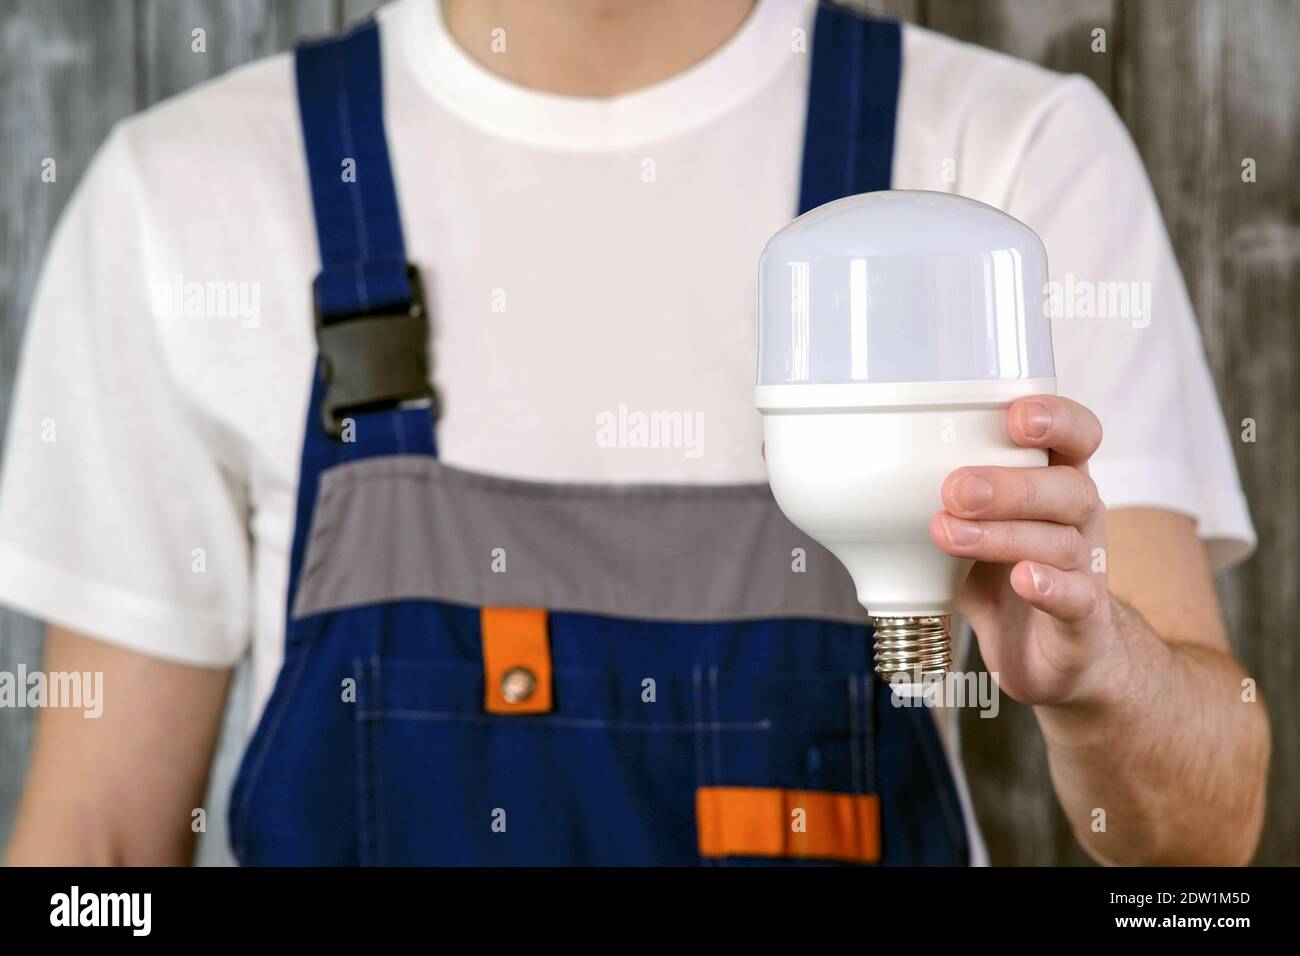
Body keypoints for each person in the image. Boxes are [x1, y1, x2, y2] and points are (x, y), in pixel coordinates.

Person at [0, 0, 1268, 866]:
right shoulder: (187, 193)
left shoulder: (1004, 162)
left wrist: (1102, 687)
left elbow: (1205, 833)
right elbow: (95, 849)